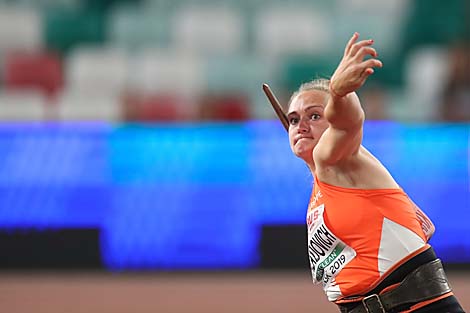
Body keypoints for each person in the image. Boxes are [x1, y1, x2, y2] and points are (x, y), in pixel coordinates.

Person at [285, 33, 464, 312]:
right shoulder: (322, 190)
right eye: (294, 119)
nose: (301, 125)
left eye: (315, 115)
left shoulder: (334, 156)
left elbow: (348, 121)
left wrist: (339, 92)